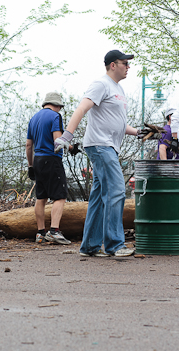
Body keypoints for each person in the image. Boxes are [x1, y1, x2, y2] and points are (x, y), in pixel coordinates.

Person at [54, 50, 140, 257]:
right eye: (125, 64)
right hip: (100, 145)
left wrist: (139, 132)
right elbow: (82, 108)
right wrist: (67, 136)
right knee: (117, 190)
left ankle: (90, 246)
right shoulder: (101, 84)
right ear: (113, 65)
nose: (128, 67)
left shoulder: (118, 89)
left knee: (100, 197)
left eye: (129, 64)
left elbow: (118, 122)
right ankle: (115, 245)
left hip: (109, 146)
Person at [26, 92, 72, 245]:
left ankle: (40, 233)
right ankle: (54, 231)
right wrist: (70, 147)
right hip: (52, 160)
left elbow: (28, 145)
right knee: (59, 196)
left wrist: (30, 165)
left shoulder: (33, 119)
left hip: (38, 160)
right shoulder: (55, 117)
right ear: (57, 105)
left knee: (41, 198)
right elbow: (57, 142)